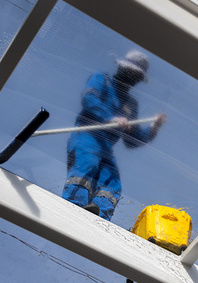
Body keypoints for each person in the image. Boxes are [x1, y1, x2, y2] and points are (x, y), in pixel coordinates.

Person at [61, 51, 166, 221]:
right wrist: (111, 117)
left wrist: (153, 128)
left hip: (106, 149)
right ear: (122, 68)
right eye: (133, 73)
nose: (134, 79)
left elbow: (132, 140)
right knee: (87, 167)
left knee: (112, 183)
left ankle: (100, 217)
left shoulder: (131, 104)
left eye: (138, 76)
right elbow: (89, 99)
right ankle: (74, 208)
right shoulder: (102, 80)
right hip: (87, 137)